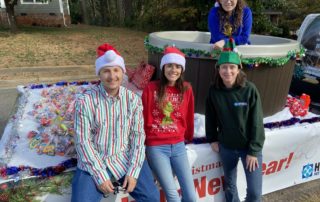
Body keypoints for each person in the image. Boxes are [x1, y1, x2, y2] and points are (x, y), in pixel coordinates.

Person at [72, 43, 160, 202]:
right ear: (99, 74)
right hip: (95, 161)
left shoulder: (133, 100)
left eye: (116, 70)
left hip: (124, 157)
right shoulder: (85, 102)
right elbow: (83, 142)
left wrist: (133, 172)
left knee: (152, 197)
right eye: (106, 71)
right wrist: (100, 175)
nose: (112, 76)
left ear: (123, 72)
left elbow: (138, 137)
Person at [205, 38, 265, 202]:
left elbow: (257, 121)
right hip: (227, 147)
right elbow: (210, 117)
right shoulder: (214, 91)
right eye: (224, 67)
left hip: (249, 148)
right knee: (230, 187)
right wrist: (212, 139)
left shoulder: (249, 90)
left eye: (232, 67)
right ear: (218, 69)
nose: (228, 71)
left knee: (254, 193)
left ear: (239, 69)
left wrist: (254, 150)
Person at [141, 46, 197, 202]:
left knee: (191, 197)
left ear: (182, 69)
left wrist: (189, 137)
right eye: (170, 65)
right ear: (163, 67)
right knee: (172, 196)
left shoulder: (186, 88)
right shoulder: (151, 88)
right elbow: (144, 117)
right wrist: (144, 145)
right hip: (157, 147)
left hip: (178, 145)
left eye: (178, 66)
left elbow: (189, 114)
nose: (174, 70)